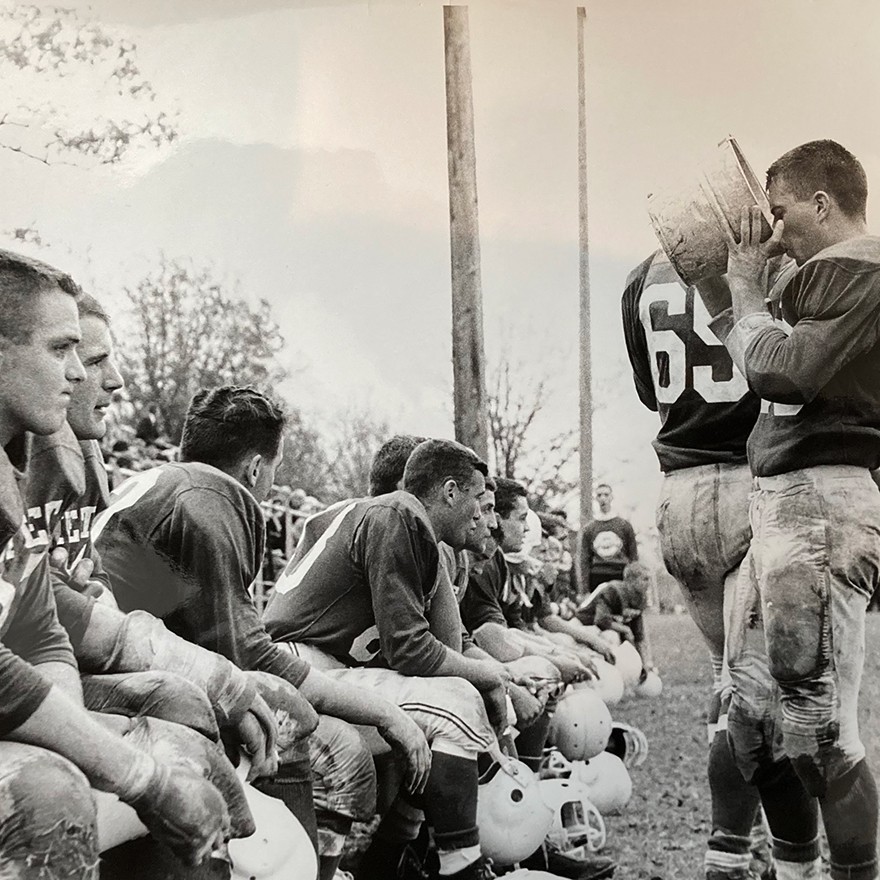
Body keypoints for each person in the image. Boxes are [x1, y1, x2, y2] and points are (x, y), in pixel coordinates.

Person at [94, 386, 431, 880]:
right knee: (329, 745)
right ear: (255, 468)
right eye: (275, 468)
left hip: (115, 661)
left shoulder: (165, 481)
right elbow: (252, 659)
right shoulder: (210, 499)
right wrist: (386, 713)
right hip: (115, 678)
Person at [0, 249, 232, 876]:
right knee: (49, 797)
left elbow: (38, 630)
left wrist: (77, 735)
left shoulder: (12, 464)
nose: (80, 374)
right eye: (62, 349)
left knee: (180, 739)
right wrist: (135, 776)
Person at [704, 139, 880, 880]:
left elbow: (785, 372)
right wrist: (726, 286)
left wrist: (749, 294)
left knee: (820, 734)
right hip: (781, 502)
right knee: (748, 722)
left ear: (822, 203)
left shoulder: (862, 269)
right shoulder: (823, 275)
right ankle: (791, 868)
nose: (773, 233)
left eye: (781, 214)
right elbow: (757, 356)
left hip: (820, 504)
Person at [623, 247, 822, 880]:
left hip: (679, 493)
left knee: (727, 685)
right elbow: (793, 371)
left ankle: (735, 850)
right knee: (763, 698)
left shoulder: (643, 274)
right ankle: (771, 859)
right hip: (752, 483)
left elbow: (650, 390)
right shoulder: (767, 256)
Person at [264, 438, 535, 880]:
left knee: (451, 702)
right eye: (477, 501)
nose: (482, 517)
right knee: (457, 704)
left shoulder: (391, 519)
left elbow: (443, 644)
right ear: (449, 492)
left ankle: (403, 860)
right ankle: (461, 867)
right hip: (304, 666)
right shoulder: (399, 514)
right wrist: (488, 675)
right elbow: (410, 649)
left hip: (314, 663)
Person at [578, 484, 637, 594]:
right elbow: (584, 560)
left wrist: (633, 584)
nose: (603, 498)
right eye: (599, 495)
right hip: (597, 576)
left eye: (606, 495)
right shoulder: (589, 529)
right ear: (596, 498)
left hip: (620, 574)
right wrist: (585, 589)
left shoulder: (624, 526)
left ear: (611, 497)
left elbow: (633, 557)